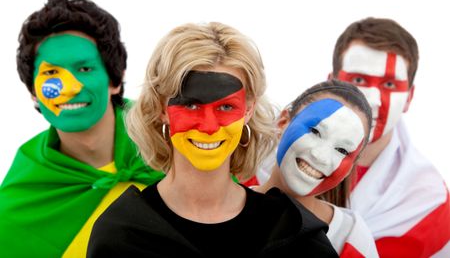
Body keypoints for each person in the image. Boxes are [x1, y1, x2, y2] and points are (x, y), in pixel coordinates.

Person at [87, 22, 338, 257]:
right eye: (191, 105)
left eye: (227, 107)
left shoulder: (292, 234)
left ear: (248, 110)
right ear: (162, 109)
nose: (209, 127)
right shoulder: (122, 234)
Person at [0, 0, 164, 257]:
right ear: (34, 92)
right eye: (52, 73)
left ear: (115, 80)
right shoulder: (17, 206)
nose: (70, 88)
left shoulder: (175, 144)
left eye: (85, 69)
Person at [331, 17, 450, 257]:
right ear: (331, 83)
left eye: (389, 84)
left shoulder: (430, 203)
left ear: (409, 97)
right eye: (358, 80)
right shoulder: (267, 158)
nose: (372, 100)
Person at [255, 80, 379, 257]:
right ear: (283, 123)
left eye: (341, 150)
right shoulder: (225, 207)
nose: (320, 156)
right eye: (315, 132)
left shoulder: (352, 237)